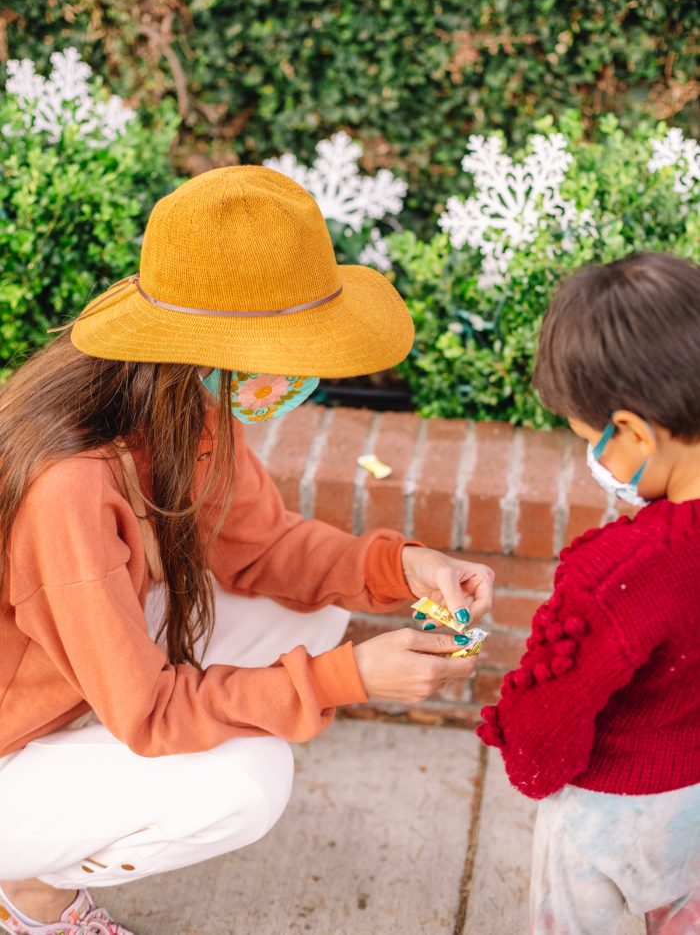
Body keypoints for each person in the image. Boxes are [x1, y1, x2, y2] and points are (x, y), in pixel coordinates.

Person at [0, 166, 493, 935]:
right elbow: (150, 714)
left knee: (310, 617)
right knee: (247, 784)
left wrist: (406, 567)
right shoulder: (70, 484)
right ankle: (28, 891)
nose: (303, 372)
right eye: (291, 349)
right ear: (214, 349)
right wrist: (350, 678)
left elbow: (266, 548)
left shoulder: (176, 397)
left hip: (61, 690)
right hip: (12, 743)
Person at [477, 252, 700, 935]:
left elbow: (544, 735)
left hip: (614, 813)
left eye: (590, 440)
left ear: (632, 431)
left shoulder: (618, 575)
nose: (595, 460)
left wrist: (519, 736)